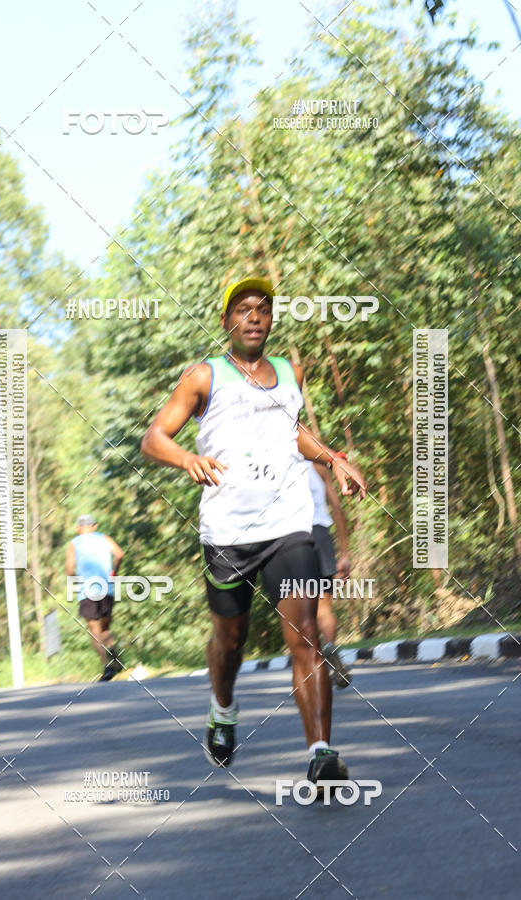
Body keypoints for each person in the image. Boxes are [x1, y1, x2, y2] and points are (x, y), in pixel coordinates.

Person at [141, 276, 366, 792]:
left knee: (306, 635)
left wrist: (333, 458)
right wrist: (187, 458)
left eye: (262, 309)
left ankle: (321, 752)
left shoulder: (289, 371)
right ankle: (223, 707)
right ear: (226, 322)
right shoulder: (204, 375)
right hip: (227, 530)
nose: (254, 317)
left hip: (288, 523)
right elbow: (153, 437)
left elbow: (296, 434)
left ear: (270, 321)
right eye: (243, 309)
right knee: (231, 638)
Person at [308, 460, 352, 689]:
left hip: (289, 538)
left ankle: (312, 664)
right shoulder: (317, 465)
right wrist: (344, 553)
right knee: (324, 605)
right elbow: (336, 506)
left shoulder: (272, 459)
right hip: (320, 534)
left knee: (298, 607)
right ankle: (330, 645)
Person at [65, 514, 125, 682]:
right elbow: (120, 554)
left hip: (87, 590)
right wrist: (114, 572)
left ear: (78, 528)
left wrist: (76, 582)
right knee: (105, 628)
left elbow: (69, 570)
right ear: (94, 526)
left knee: (95, 631)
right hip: (107, 588)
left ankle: (107, 667)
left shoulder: (74, 543)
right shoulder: (105, 538)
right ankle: (113, 649)